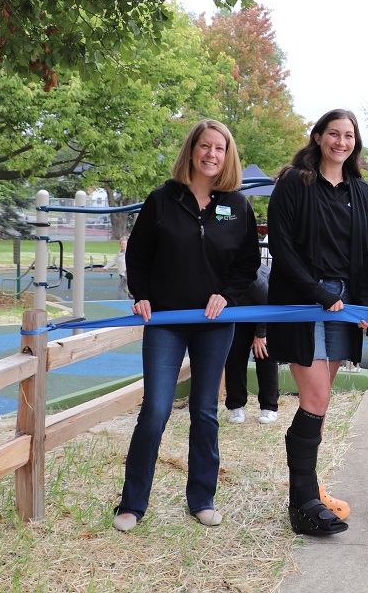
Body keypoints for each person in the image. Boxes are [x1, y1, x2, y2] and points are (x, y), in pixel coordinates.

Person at [114, 119, 260, 533]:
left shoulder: (237, 205)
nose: (212, 154)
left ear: (228, 156)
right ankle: (132, 504)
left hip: (215, 323)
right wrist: (141, 294)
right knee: (156, 410)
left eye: (220, 148)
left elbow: (247, 264)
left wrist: (226, 296)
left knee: (204, 410)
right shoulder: (162, 199)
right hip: (167, 322)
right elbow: (138, 255)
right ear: (192, 150)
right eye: (205, 146)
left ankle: (202, 499)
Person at [268, 109, 368, 537]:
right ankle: (303, 505)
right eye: (334, 133)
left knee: (320, 401)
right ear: (318, 137)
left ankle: (310, 489)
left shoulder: (360, 190)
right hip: (305, 300)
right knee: (315, 397)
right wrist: (319, 293)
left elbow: (366, 252)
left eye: (348, 136)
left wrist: (362, 304)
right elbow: (281, 246)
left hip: (342, 304)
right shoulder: (295, 182)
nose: (341, 142)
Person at [224, 265, 280, 425]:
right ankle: (236, 406)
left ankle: (269, 407)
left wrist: (261, 333)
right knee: (234, 356)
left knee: (265, 354)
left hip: (265, 313)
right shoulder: (217, 273)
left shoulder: (254, 277)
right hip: (238, 315)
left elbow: (270, 302)